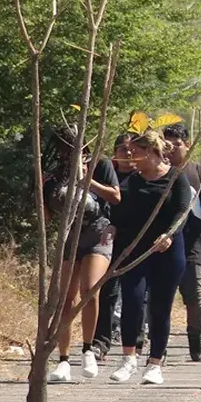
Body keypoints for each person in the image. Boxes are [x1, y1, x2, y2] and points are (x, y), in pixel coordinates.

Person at [106, 130, 194, 385]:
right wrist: (112, 226)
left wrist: (169, 233)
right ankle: (128, 358)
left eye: (136, 152)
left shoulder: (177, 178)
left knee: (160, 307)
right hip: (135, 250)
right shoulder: (133, 181)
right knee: (132, 300)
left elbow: (182, 211)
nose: (131, 157)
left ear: (152, 152)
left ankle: (155, 362)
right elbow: (119, 209)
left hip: (167, 250)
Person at [45, 126, 121, 383]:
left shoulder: (101, 164)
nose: (66, 153)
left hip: (98, 234)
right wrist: (41, 192)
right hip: (69, 237)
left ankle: (88, 349)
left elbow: (115, 196)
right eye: (63, 149)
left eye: (71, 147)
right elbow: (47, 217)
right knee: (66, 298)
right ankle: (63, 359)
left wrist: (89, 181)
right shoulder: (55, 174)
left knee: (90, 291)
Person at [163, 124, 201, 362]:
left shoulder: (198, 171)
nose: (172, 149)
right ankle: (159, 345)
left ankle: (195, 336)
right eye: (167, 144)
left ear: (187, 145)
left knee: (195, 298)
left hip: (192, 245)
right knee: (159, 298)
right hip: (162, 245)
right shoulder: (157, 171)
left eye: (177, 144)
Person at [93, 132, 134, 359]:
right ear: (114, 154)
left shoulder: (143, 177)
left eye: (131, 149)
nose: (127, 153)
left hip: (136, 239)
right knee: (107, 291)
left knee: (135, 293)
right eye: (122, 149)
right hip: (109, 240)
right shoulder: (108, 176)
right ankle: (101, 341)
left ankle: (135, 337)